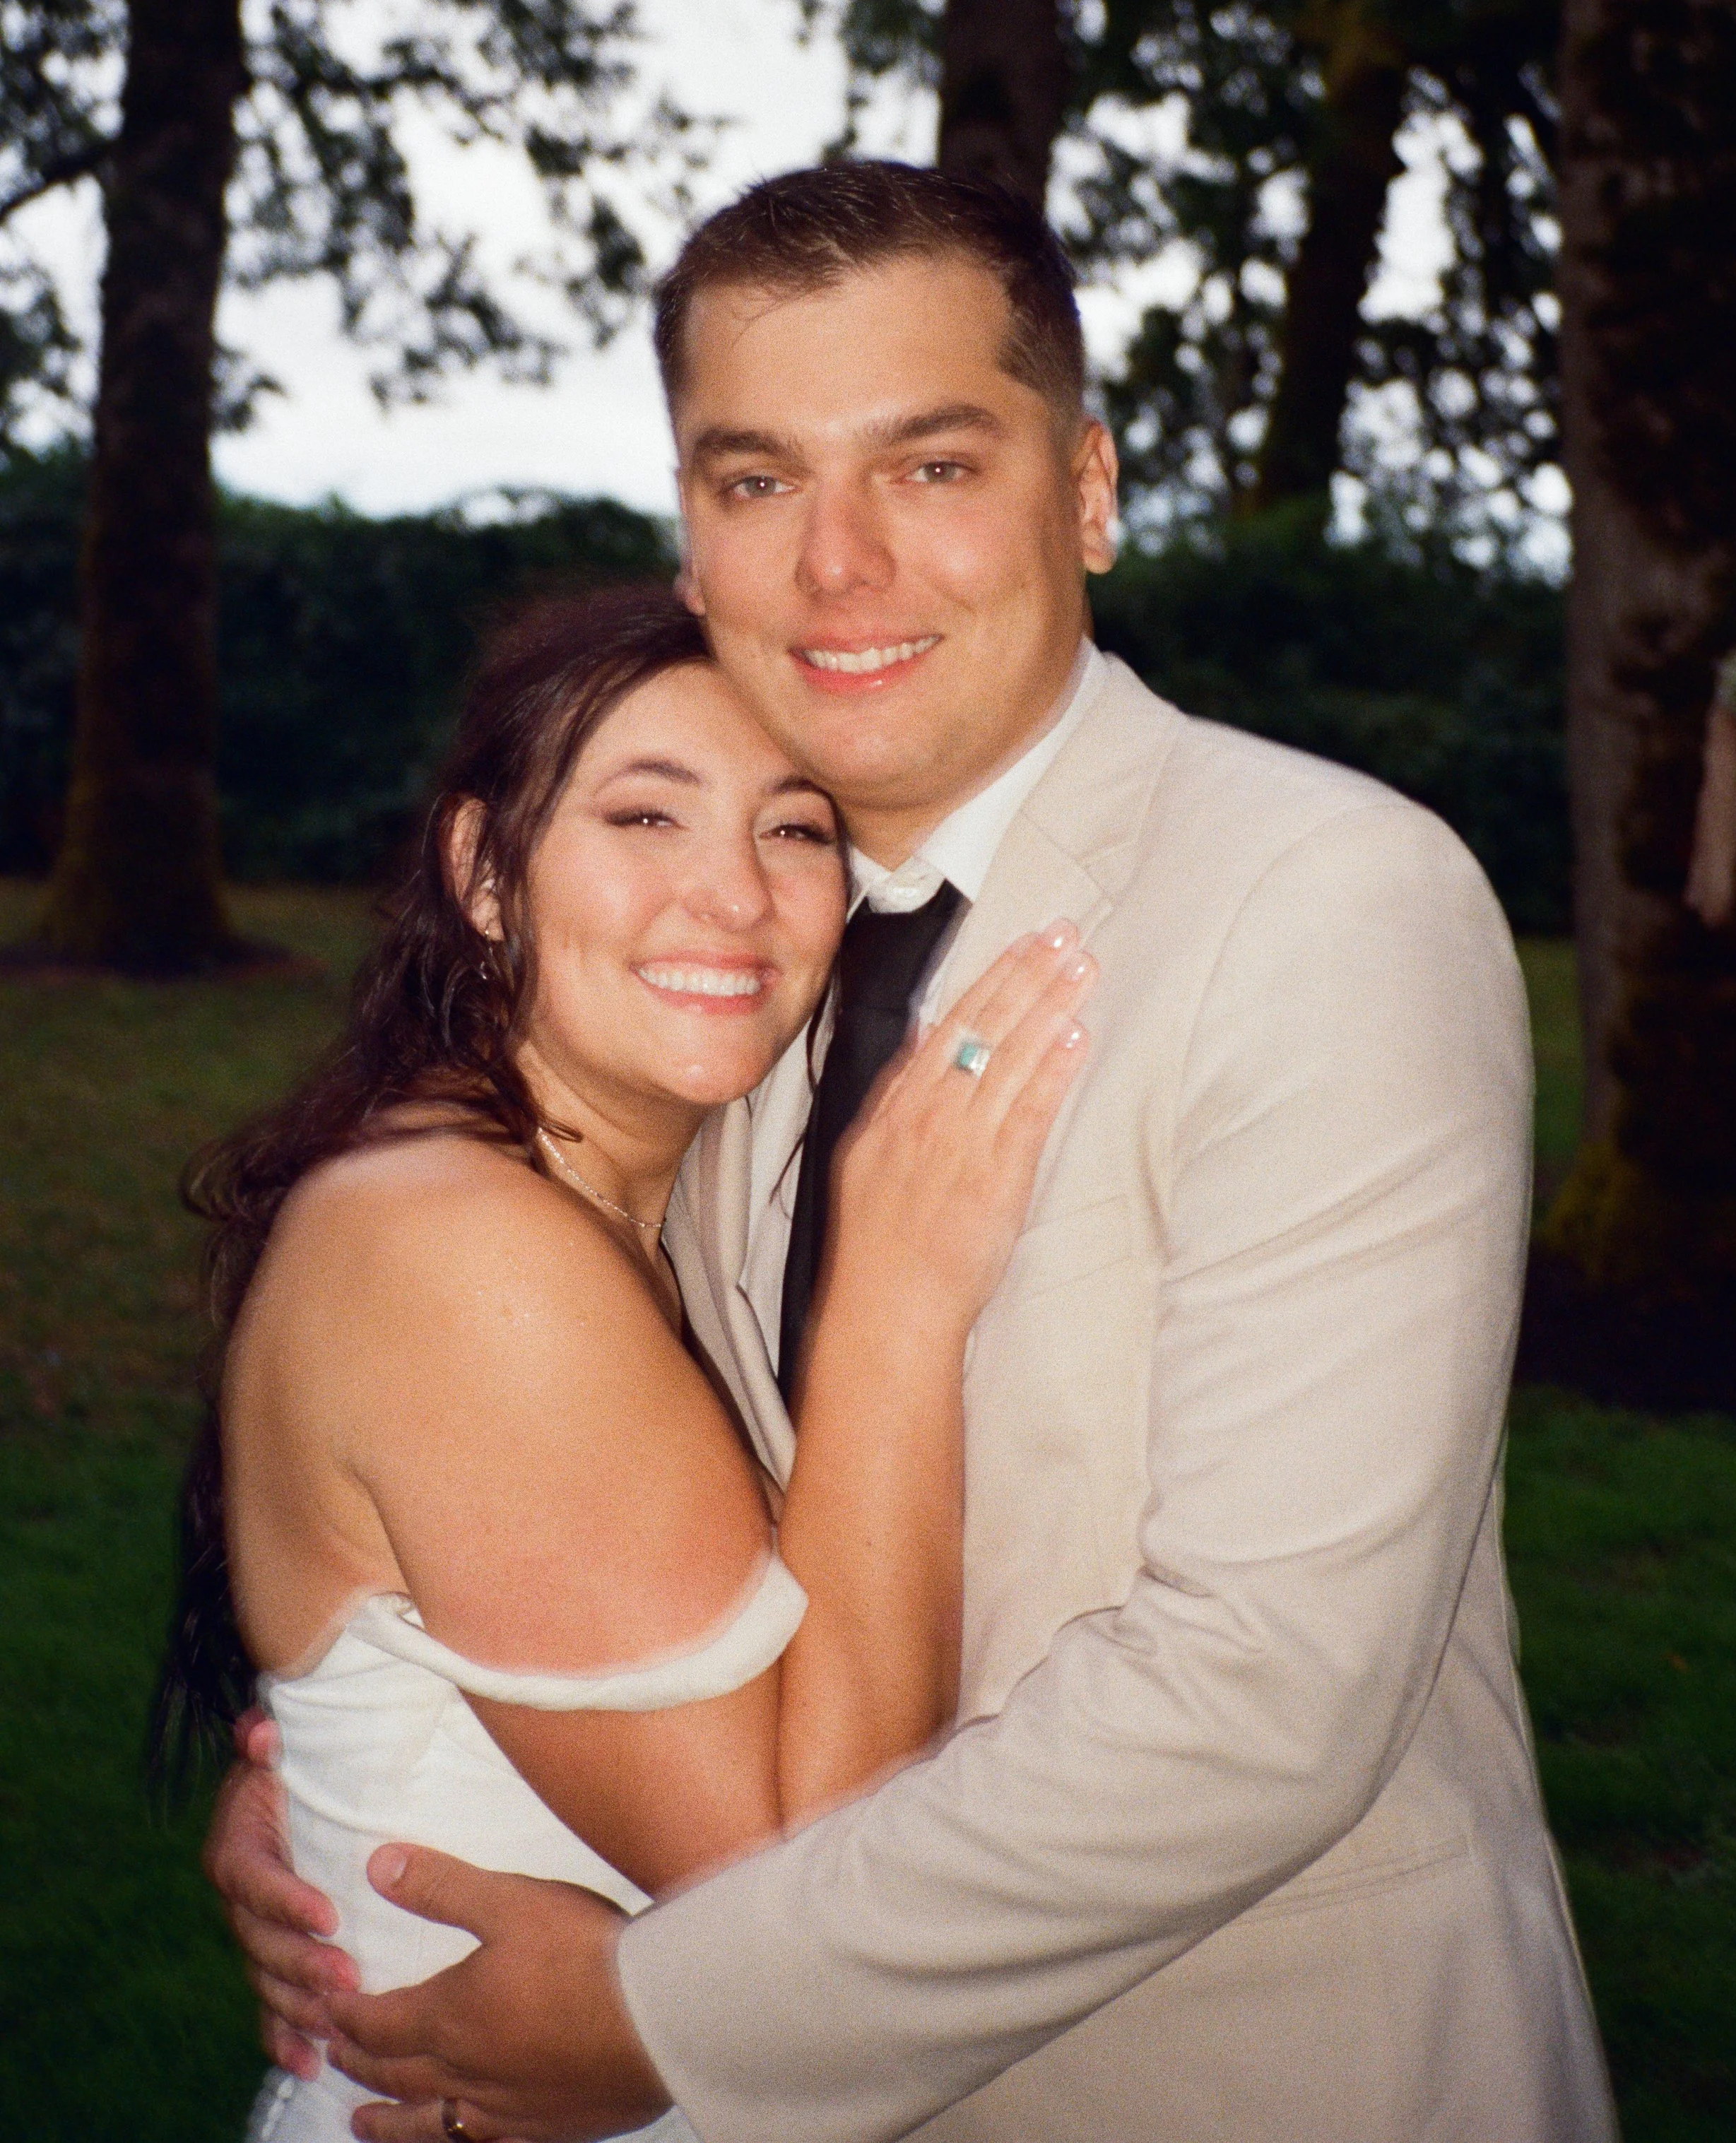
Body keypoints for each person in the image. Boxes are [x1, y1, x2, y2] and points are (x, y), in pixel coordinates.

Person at [210, 162, 1617, 2143]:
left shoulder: (1321, 898)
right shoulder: (724, 990)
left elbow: (1263, 1690)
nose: (838, 563)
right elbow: (600, 1527)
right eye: (758, 477)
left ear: (1091, 492)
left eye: (931, 464)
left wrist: (666, 2014)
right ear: (693, 536)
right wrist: (363, 1767)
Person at [167, 578, 1096, 2143]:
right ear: (484, 869)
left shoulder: (544, 1207)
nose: (730, 894)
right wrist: (895, 1300)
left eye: (794, 828)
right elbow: (805, 1887)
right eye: (645, 817)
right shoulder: (466, 1249)